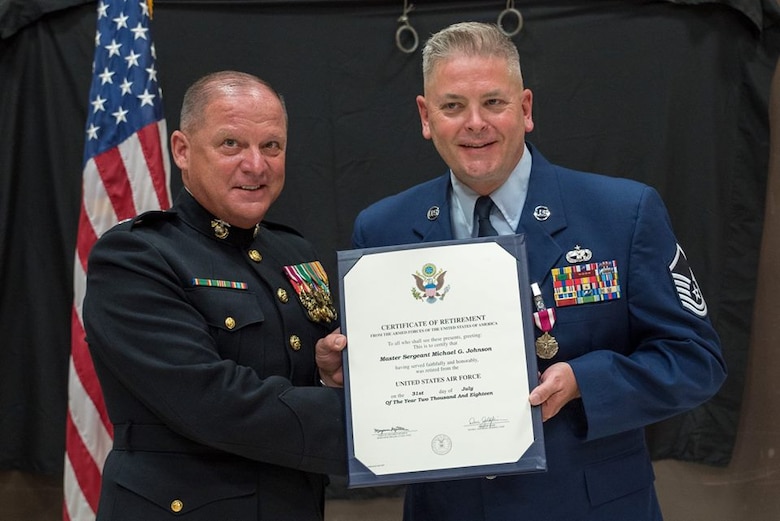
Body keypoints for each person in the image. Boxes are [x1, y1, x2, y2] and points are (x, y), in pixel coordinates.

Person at [351, 22, 726, 521]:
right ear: (426, 117)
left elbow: (696, 361)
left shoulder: (622, 213)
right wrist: (346, 373)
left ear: (525, 109)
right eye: (452, 106)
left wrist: (584, 381)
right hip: (448, 509)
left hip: (591, 506)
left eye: (493, 103)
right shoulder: (383, 229)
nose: (475, 123)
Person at [83, 71, 347, 521]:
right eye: (231, 145)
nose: (256, 165)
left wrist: (328, 378)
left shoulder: (293, 252)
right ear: (182, 150)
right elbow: (211, 402)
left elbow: (295, 383)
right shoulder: (135, 256)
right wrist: (379, 424)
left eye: (271, 146)